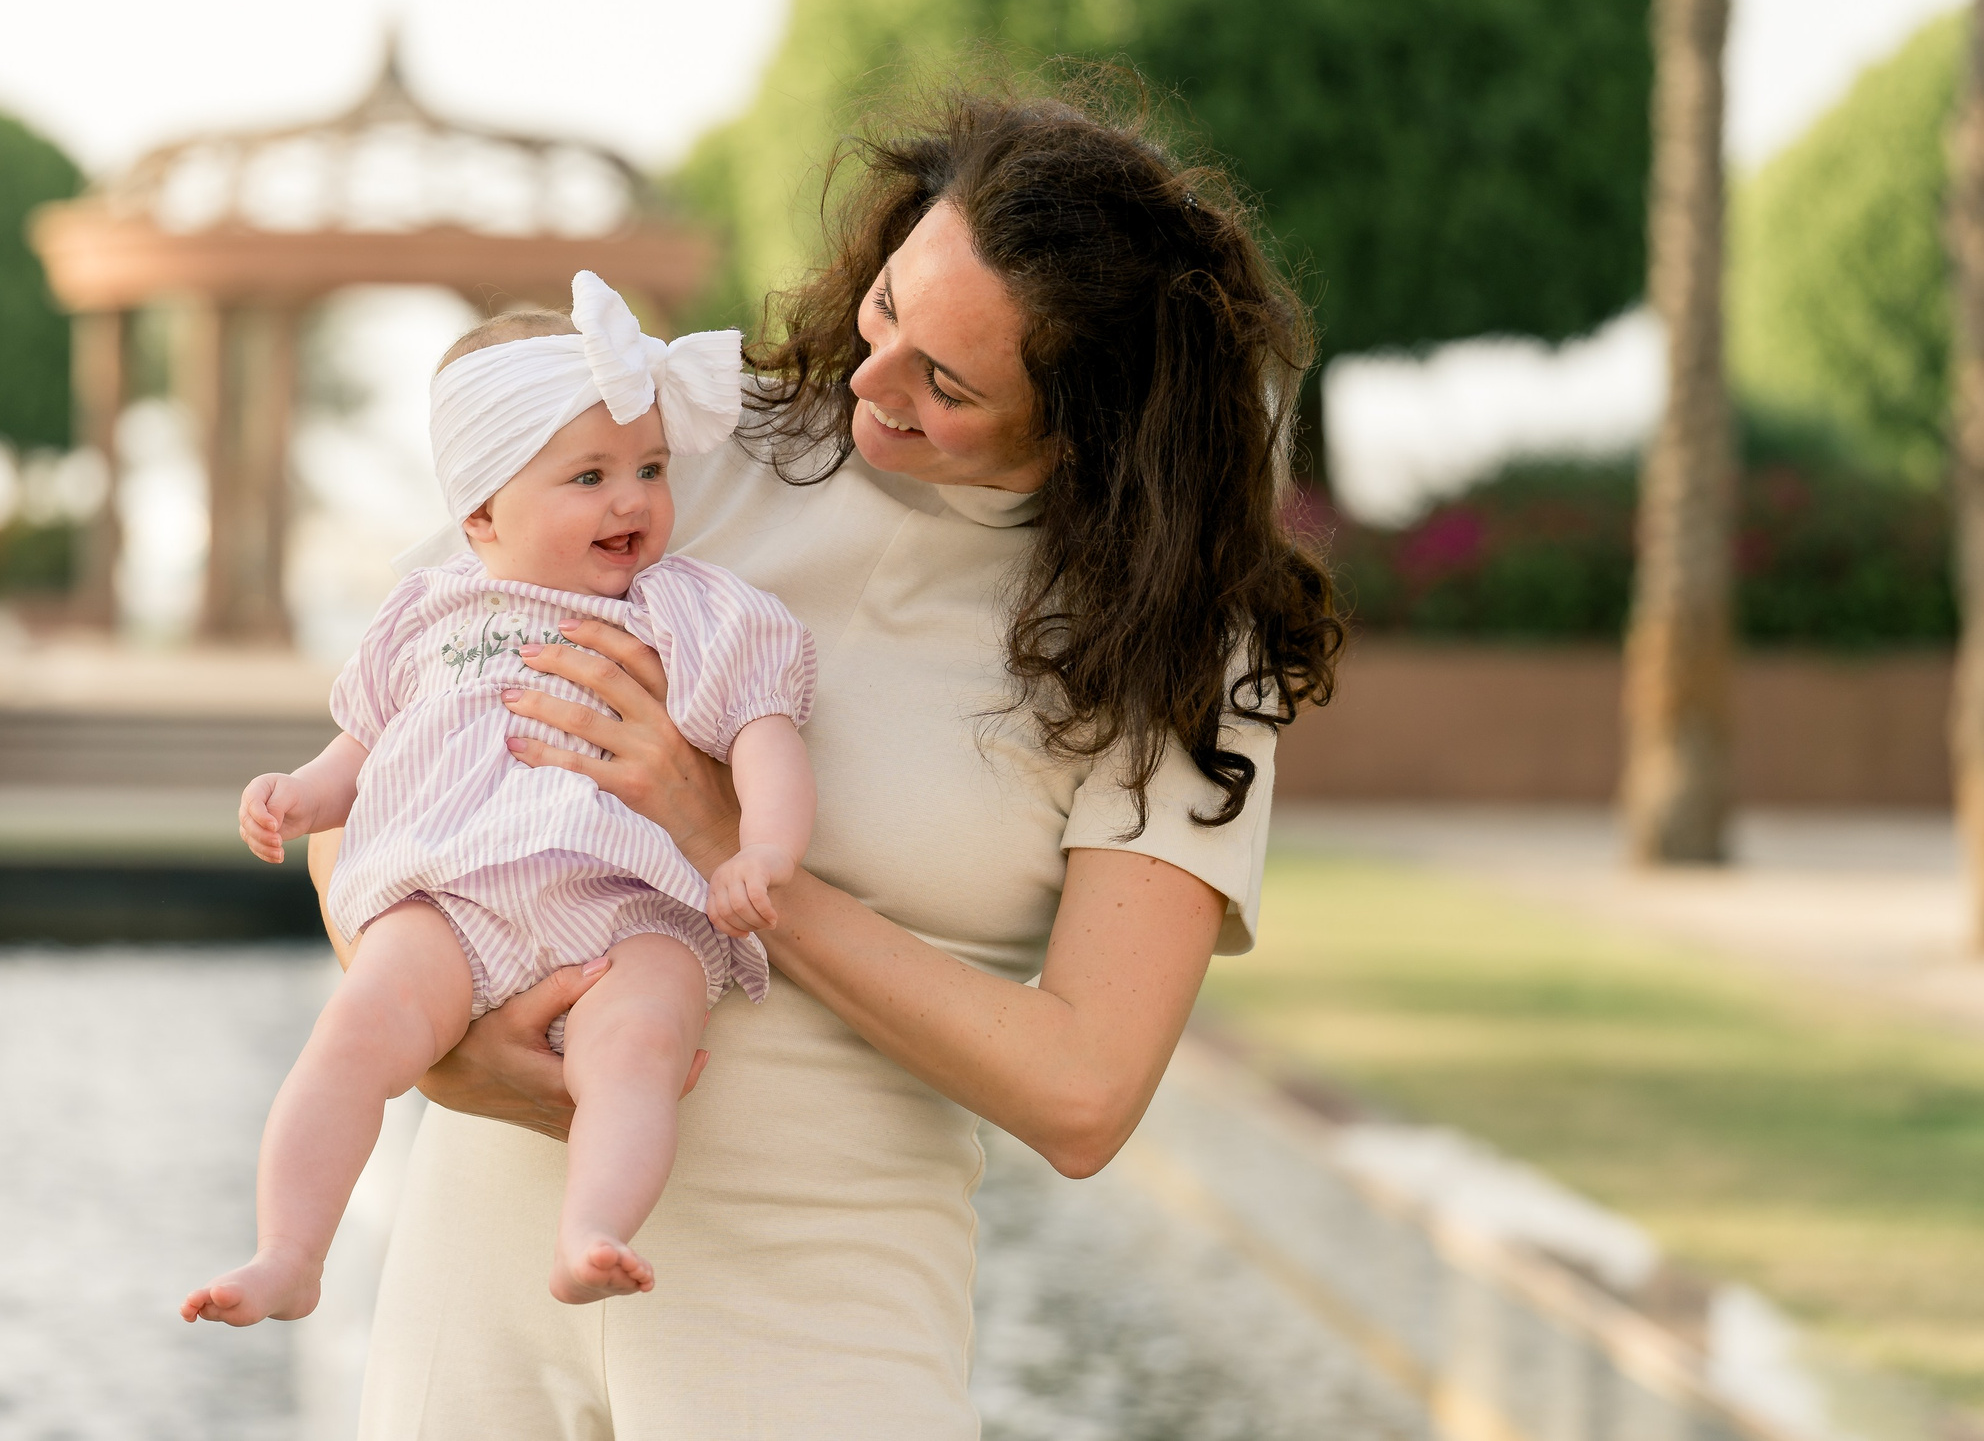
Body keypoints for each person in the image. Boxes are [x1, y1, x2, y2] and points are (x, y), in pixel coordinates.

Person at [329, 84, 1343, 1438]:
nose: (870, 383)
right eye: (885, 314)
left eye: (949, 380)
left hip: (820, 1316)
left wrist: (725, 841)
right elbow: (375, 765)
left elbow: (1084, 1086)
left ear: (1095, 420)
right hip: (486, 1272)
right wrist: (430, 1030)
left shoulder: (1178, 646)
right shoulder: (680, 436)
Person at [184, 274, 818, 1326]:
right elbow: (364, 742)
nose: (633, 500)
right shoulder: (427, 611)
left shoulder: (689, 608)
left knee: (641, 1045)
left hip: (630, 904)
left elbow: (765, 733)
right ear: (480, 512)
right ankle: (290, 1251)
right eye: (589, 475)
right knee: (351, 1033)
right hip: (452, 905)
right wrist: (298, 796)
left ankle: (592, 1227)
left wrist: (766, 851)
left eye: (650, 468)